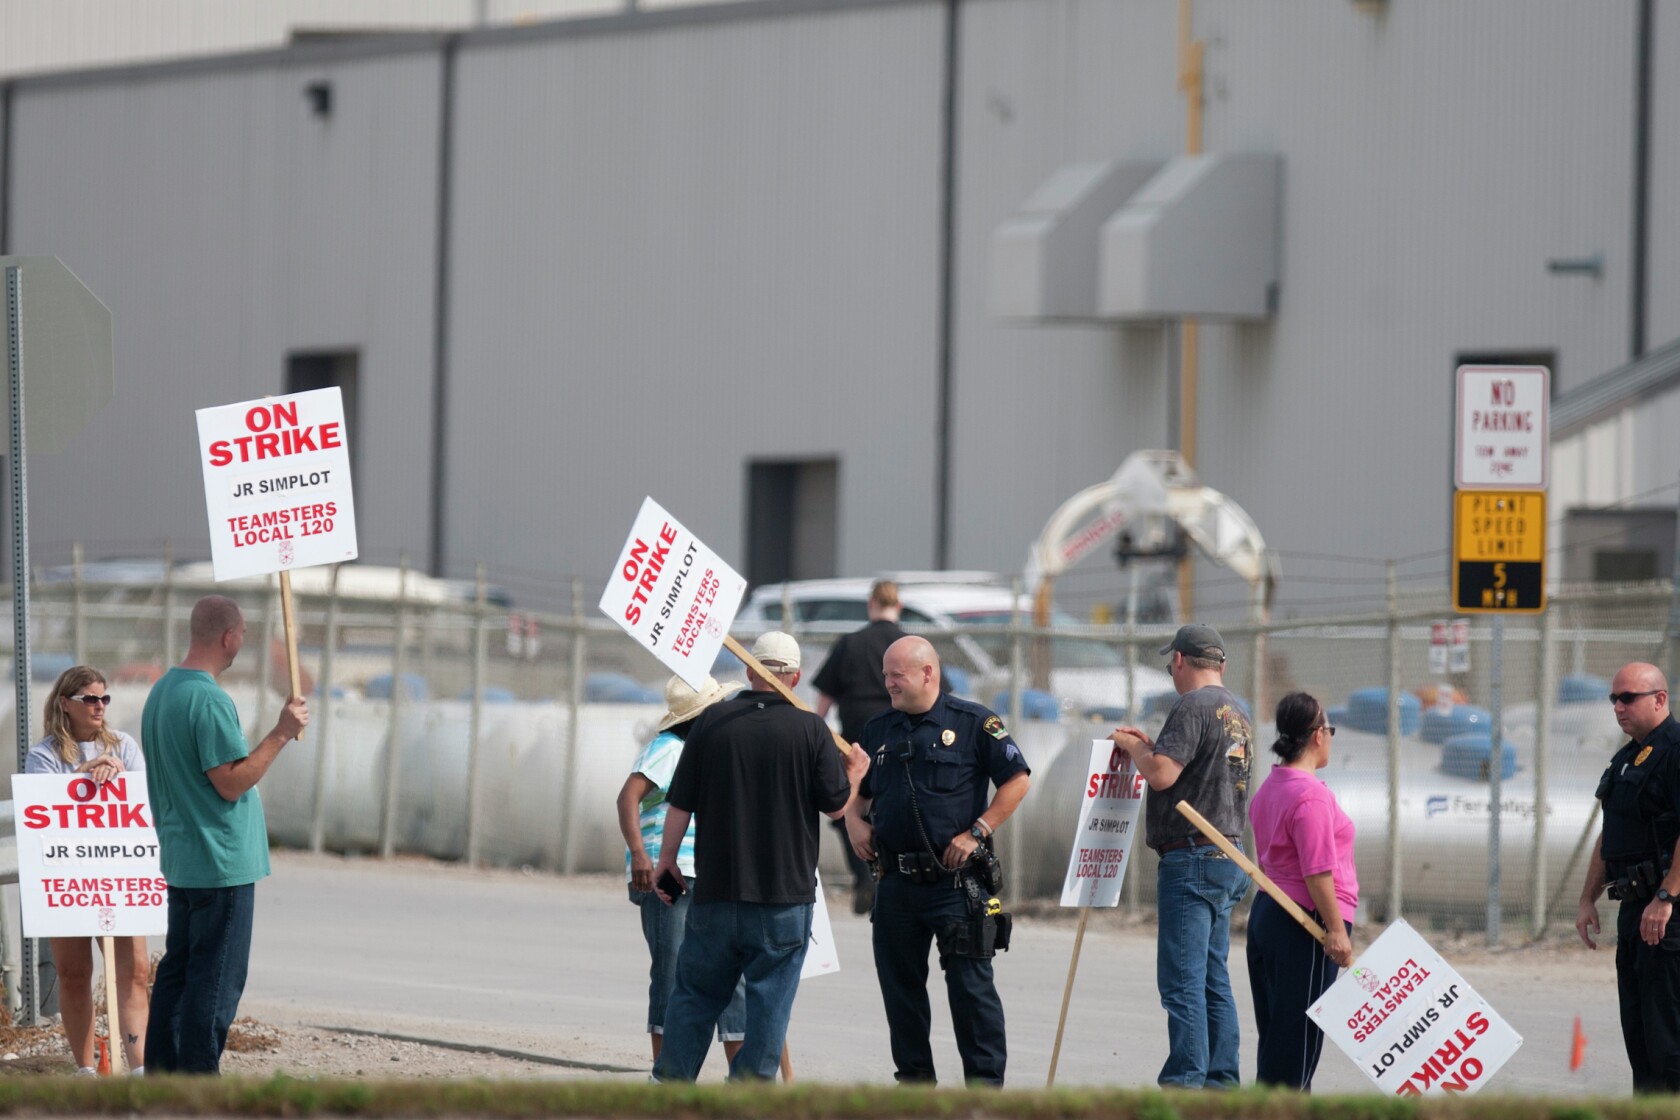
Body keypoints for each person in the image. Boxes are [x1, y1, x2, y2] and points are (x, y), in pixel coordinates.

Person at [650, 632, 868, 1082]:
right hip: (783, 899)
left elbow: (680, 804)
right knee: (769, 1004)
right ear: (796, 677)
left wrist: (666, 861)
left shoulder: (712, 722)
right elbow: (835, 807)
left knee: (694, 997)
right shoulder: (810, 729)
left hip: (716, 891)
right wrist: (854, 775)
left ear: (750, 671)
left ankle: (670, 1086)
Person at [845, 635, 1031, 1087]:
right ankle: (915, 1090)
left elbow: (1017, 780)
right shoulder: (878, 729)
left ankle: (983, 1094)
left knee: (971, 992)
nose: (888, 683)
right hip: (896, 884)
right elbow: (859, 793)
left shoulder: (974, 723)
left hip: (955, 884)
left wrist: (977, 832)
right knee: (901, 995)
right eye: (886, 675)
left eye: (896, 675)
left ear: (927, 673)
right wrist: (853, 821)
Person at [141, 595, 308, 1074]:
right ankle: (198, 1080)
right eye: (243, 634)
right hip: (219, 862)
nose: (243, 642)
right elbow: (230, 781)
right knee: (214, 982)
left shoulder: (163, 690)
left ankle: (163, 1078)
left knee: (178, 973)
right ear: (228, 636)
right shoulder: (208, 699)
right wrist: (280, 732)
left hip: (184, 857)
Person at [1110, 622, 1252, 1089]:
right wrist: (1152, 749)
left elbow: (1163, 775)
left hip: (1193, 858)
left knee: (1182, 981)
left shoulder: (1192, 705)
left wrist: (1134, 746)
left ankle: (1185, 1086)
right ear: (1222, 665)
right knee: (1212, 978)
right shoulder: (1236, 710)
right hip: (1227, 854)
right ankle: (1220, 1083)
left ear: (1178, 661)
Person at [615, 673, 747, 1066]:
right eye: (715, 707)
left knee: (729, 970)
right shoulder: (668, 749)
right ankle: (665, 1070)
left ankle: (743, 1073)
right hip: (667, 875)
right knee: (671, 969)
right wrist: (639, 854)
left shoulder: (703, 754)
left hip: (707, 874)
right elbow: (627, 798)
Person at [27, 666, 151, 1075]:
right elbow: (42, 807)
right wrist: (83, 776)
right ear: (66, 703)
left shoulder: (124, 746)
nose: (99, 706)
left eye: (104, 698)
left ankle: (139, 1068)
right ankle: (85, 1070)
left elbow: (143, 799)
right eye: (90, 699)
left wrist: (118, 776)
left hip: (117, 873)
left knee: (133, 972)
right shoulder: (45, 755)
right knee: (75, 973)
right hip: (69, 877)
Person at [1576, 661, 1680, 1093]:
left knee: (1668, 1039)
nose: (1618, 707)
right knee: (1639, 1037)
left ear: (1659, 699)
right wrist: (1587, 899)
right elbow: (1612, 833)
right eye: (1614, 699)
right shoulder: (1626, 758)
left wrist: (1666, 896)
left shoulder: (1675, 750)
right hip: (1635, 909)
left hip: (1666, 913)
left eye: (1628, 698)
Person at [1245, 691, 1357, 1090]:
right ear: (1317, 735)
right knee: (1296, 1042)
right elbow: (1317, 871)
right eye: (1330, 730)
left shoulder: (1270, 788)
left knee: (1278, 1037)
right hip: (1304, 921)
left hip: (1270, 912)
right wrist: (1336, 929)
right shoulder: (1310, 796)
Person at [813, 579, 910, 913]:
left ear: (871, 604)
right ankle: (890, 875)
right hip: (901, 740)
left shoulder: (850, 643)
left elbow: (825, 699)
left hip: (855, 743)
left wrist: (816, 732)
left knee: (849, 806)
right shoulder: (908, 646)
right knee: (896, 805)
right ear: (898, 606)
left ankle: (865, 875)